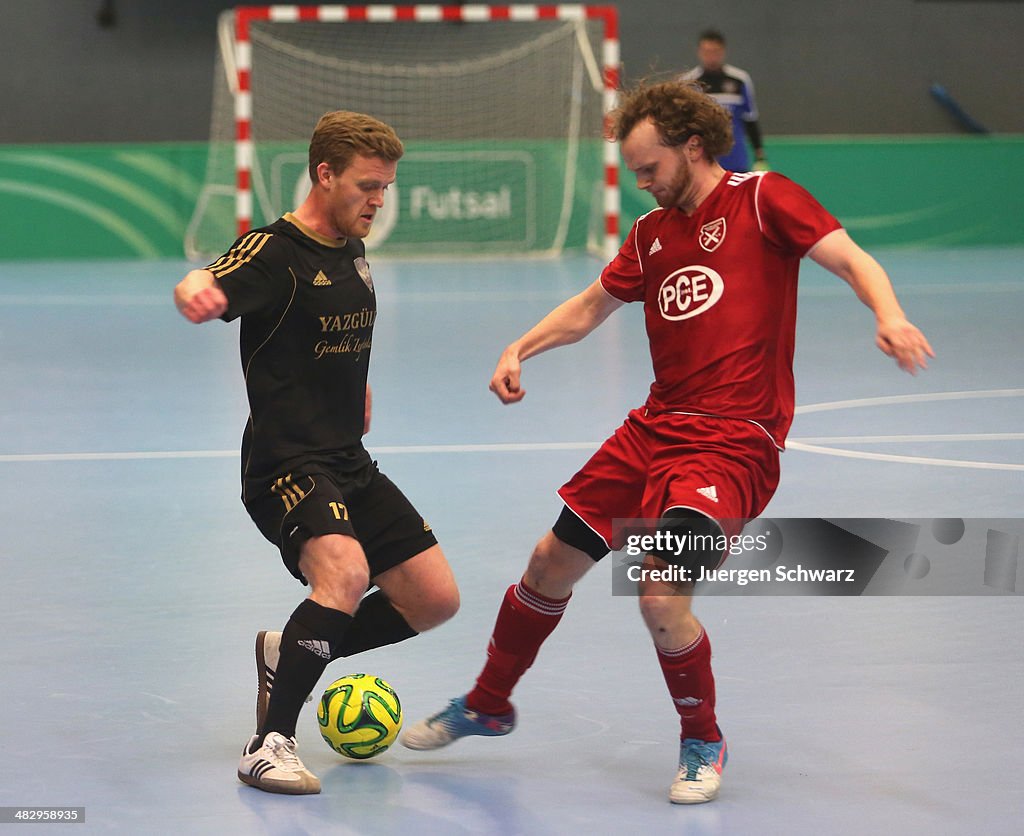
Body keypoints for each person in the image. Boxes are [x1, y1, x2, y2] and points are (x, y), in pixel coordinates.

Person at [399, 80, 933, 805]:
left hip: (733, 443)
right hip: (653, 430)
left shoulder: (763, 199)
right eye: (635, 172)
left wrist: (890, 315)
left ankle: (702, 739)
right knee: (549, 561)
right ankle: (490, 704)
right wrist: (520, 346)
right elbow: (591, 306)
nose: (642, 182)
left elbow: (851, 259)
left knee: (659, 593)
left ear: (692, 147)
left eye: (650, 168)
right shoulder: (650, 235)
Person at [173, 111, 460, 795]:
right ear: (324, 174)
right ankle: (269, 744)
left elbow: (338, 338)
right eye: (367, 186)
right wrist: (196, 291)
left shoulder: (353, 251)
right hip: (285, 464)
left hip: (349, 459)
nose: (378, 201)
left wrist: (354, 394)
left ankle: (286, 650)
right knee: (345, 574)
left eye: (386, 188)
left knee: (434, 600)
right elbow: (206, 276)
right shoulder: (274, 252)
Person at [679, 29, 767, 172]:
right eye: (707, 52)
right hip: (703, 164)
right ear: (699, 52)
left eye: (715, 51)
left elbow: (750, 119)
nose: (711, 57)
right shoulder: (688, 83)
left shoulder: (740, 80)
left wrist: (759, 155)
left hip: (736, 161)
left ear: (723, 52)